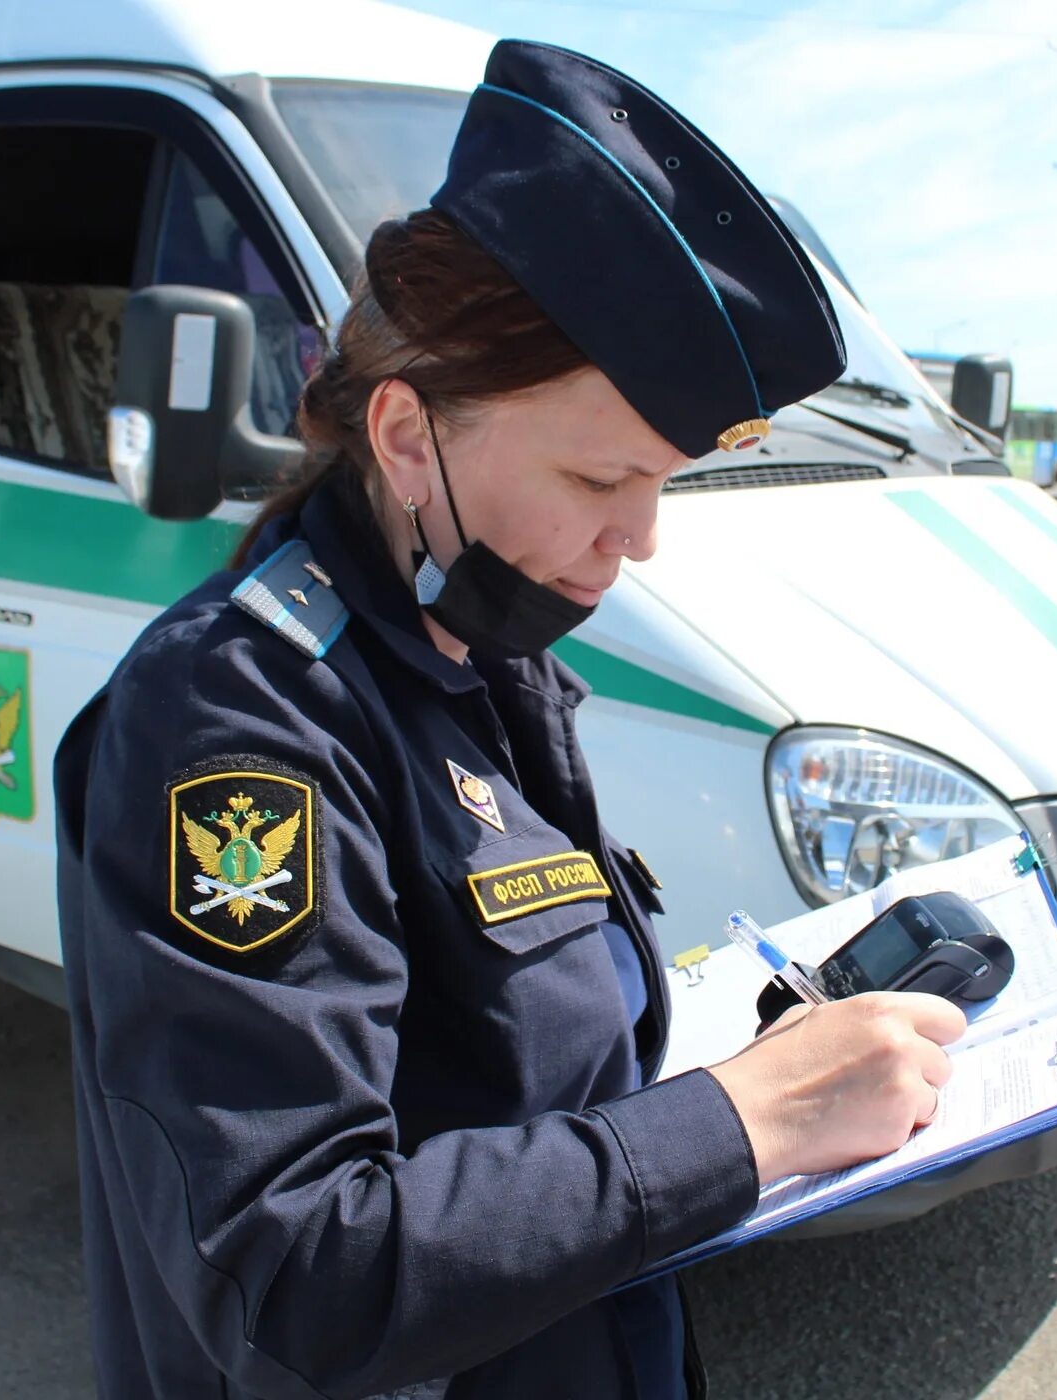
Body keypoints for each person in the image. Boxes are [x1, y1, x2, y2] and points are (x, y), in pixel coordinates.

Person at [54, 40, 967, 1400]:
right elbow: (295, 1272)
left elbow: (507, 1072)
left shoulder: (480, 644)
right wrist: (747, 1121)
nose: (638, 539)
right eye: (602, 474)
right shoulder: (237, 728)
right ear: (410, 435)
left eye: (658, 480)